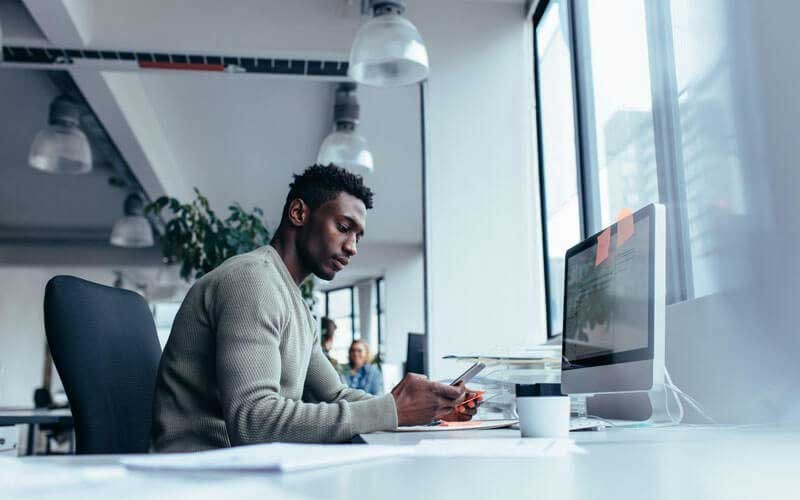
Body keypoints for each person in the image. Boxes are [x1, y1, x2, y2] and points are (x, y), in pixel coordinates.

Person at [150, 164, 479, 452]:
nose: (351, 247)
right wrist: (393, 409)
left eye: (358, 236)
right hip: (198, 477)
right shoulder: (252, 281)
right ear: (298, 213)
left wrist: (430, 410)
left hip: (244, 471)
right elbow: (253, 422)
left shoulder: (294, 302)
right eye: (344, 227)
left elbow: (336, 396)